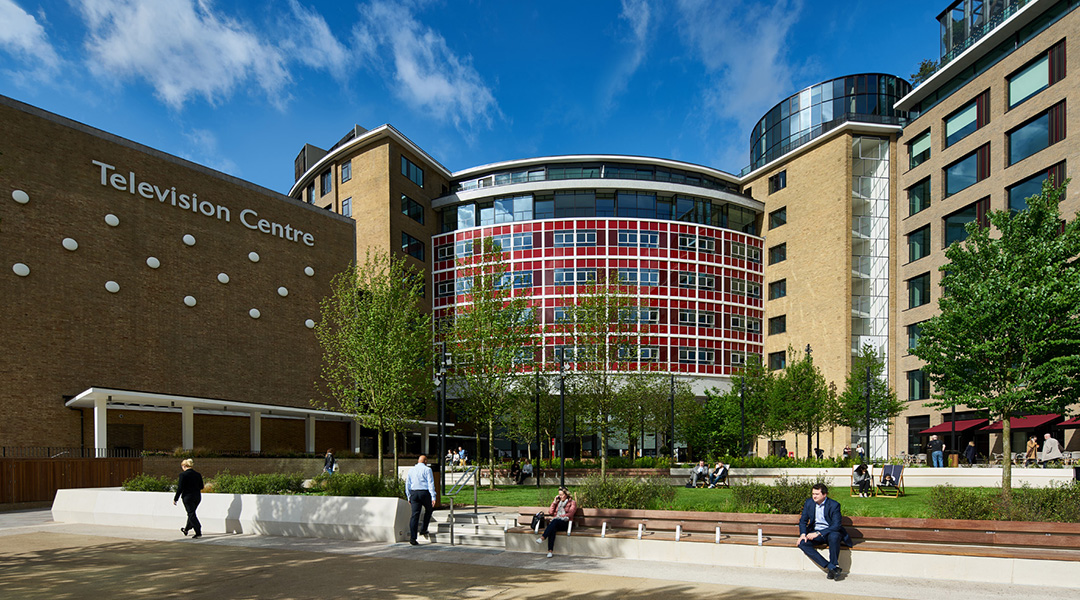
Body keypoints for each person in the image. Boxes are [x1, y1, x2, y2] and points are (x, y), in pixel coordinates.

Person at [797, 483, 852, 580]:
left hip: (829, 532)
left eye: (817, 494)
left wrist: (818, 533)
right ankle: (831, 567)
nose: (814, 496)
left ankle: (833, 564)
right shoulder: (809, 503)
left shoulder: (834, 505)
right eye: (813, 493)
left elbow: (836, 525)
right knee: (802, 543)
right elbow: (803, 521)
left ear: (824, 494)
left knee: (834, 536)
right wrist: (803, 534)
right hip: (815, 533)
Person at [404, 455, 437, 546]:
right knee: (429, 509)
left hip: (414, 493)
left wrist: (409, 496)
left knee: (415, 515)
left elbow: (408, 484)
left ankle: (413, 538)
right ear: (425, 461)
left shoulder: (411, 470)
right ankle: (423, 529)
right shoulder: (427, 470)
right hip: (424, 492)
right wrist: (433, 497)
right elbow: (430, 483)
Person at [536, 486, 577, 558]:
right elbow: (550, 512)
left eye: (561, 495)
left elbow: (570, 514)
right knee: (552, 528)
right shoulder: (558, 502)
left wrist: (558, 517)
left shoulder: (572, 503)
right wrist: (554, 502)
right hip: (556, 523)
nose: (560, 497)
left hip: (566, 523)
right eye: (559, 495)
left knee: (554, 522)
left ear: (566, 494)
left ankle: (543, 537)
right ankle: (550, 551)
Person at [173, 458, 204, 539]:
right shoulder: (198, 474)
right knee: (191, 513)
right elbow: (201, 486)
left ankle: (198, 531)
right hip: (197, 496)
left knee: (191, 513)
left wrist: (176, 498)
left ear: (184, 466)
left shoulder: (183, 475)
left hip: (187, 497)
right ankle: (186, 529)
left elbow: (180, 488)